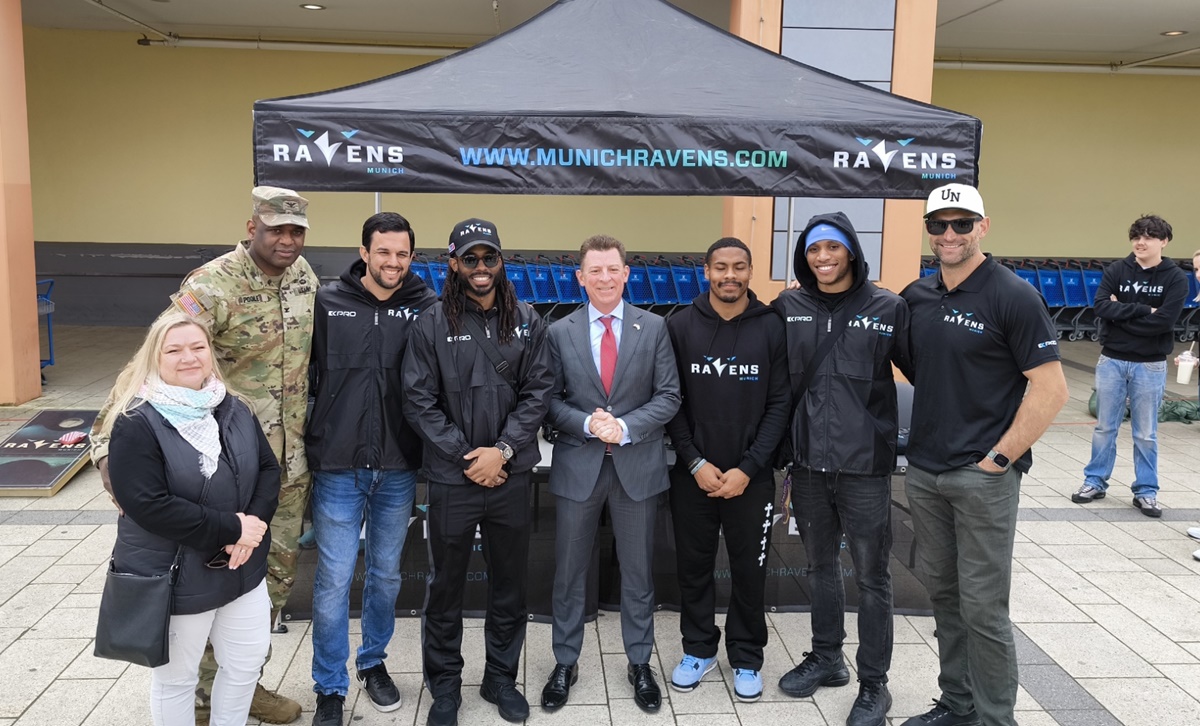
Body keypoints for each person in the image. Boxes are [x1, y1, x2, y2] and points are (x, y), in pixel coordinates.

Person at [91, 186, 316, 724]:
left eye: (296, 231)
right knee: (204, 583)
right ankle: (198, 696)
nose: (286, 240)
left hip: (283, 469)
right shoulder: (211, 284)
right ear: (252, 227)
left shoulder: (304, 277)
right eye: (275, 229)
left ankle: (243, 682)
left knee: (271, 580)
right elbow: (161, 352)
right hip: (217, 471)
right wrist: (107, 450)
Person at [899, 183, 1068, 726]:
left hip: (982, 479)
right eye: (938, 224)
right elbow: (918, 368)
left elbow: (1052, 389)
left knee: (984, 609)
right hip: (926, 472)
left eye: (962, 223)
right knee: (944, 598)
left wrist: (999, 458)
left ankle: (997, 719)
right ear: (928, 231)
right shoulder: (917, 296)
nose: (949, 234)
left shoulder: (1013, 295)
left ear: (983, 227)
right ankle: (958, 703)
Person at [402, 218, 553, 726]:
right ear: (453, 264)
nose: (481, 267)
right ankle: (445, 687)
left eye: (489, 257)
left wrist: (502, 451)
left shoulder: (527, 319)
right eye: (470, 258)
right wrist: (470, 457)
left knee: (509, 585)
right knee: (445, 588)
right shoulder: (430, 323)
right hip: (453, 478)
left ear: (501, 262)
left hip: (510, 476)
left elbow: (538, 392)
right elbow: (418, 401)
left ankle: (500, 679)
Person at [102, 314, 279, 726]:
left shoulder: (233, 406)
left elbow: (268, 470)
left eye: (198, 347)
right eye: (174, 350)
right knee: (177, 679)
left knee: (246, 664)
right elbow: (148, 505)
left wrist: (250, 529)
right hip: (177, 574)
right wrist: (233, 528)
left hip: (241, 564)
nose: (189, 357)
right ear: (155, 357)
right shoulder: (135, 422)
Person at [773, 214, 910, 726]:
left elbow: (927, 372)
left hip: (865, 467)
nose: (823, 257)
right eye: (813, 249)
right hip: (808, 463)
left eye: (832, 247)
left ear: (850, 250)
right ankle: (827, 657)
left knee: (873, 576)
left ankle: (875, 684)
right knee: (820, 566)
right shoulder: (788, 307)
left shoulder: (888, 307)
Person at [540, 234, 681, 714]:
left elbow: (668, 395)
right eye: (594, 271)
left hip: (636, 467)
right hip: (578, 466)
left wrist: (623, 427)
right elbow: (548, 400)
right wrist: (587, 423)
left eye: (612, 269)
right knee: (568, 573)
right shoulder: (558, 331)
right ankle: (565, 661)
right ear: (580, 277)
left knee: (638, 573)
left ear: (626, 274)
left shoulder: (655, 327)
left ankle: (640, 663)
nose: (604, 278)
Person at [307, 213, 437, 726]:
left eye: (403, 254)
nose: (393, 262)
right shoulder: (327, 302)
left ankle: (372, 663)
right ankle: (329, 686)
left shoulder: (426, 307)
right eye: (383, 252)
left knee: (385, 576)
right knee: (333, 581)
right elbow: (303, 374)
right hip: (338, 465)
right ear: (364, 253)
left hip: (397, 466)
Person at [664, 237, 789, 703]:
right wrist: (694, 460)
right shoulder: (679, 325)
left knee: (749, 573)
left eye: (739, 266)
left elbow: (780, 403)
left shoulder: (772, 326)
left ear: (750, 272)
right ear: (707, 271)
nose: (730, 275)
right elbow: (670, 401)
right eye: (721, 267)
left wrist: (749, 467)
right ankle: (697, 650)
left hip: (750, 479)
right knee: (693, 569)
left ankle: (746, 656)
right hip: (692, 475)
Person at [1072, 215, 1189, 517]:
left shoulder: (1175, 278)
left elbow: (1164, 322)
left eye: (1149, 237)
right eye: (1137, 236)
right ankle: (1094, 482)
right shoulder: (1117, 270)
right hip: (1111, 360)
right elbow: (1101, 307)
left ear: (1164, 241)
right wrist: (1144, 309)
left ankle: (1146, 491)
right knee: (1104, 427)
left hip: (1150, 365)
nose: (1141, 242)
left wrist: (1120, 316)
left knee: (1145, 433)